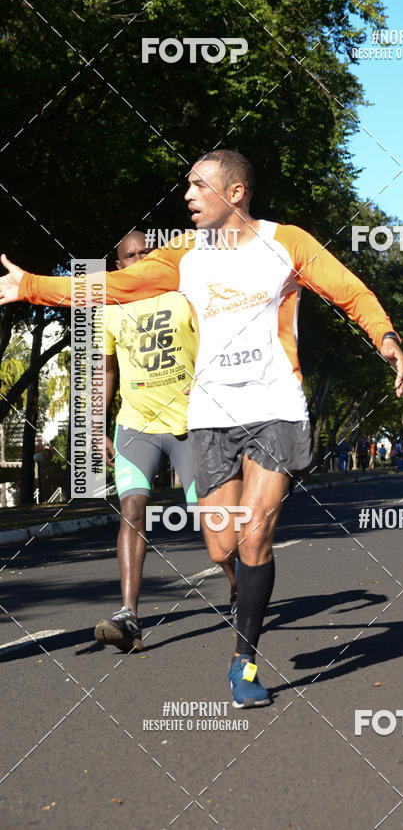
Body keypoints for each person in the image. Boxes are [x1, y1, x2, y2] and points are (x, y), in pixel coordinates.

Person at [0, 148, 403, 709]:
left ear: (234, 192)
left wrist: (384, 336)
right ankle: (242, 595)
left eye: (197, 186)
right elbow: (113, 288)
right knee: (222, 541)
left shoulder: (287, 243)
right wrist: (33, 287)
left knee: (255, 533)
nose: (187, 196)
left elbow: (350, 291)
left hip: (276, 407)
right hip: (212, 417)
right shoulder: (185, 254)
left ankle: (244, 660)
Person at [95, 231, 234, 653]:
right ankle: (129, 616)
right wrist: (96, 426)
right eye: (129, 256)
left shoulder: (182, 295)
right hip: (136, 425)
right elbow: (106, 371)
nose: (138, 259)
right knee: (132, 509)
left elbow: (216, 349)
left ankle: (239, 583)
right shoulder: (111, 308)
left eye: (144, 252)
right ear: (118, 266)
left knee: (208, 519)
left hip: (192, 426)